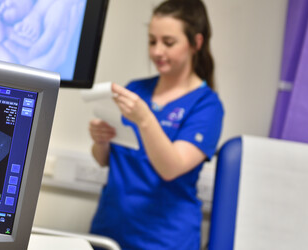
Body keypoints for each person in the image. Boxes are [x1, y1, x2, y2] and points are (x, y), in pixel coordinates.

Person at [88, 0, 224, 249]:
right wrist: (101, 141)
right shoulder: (136, 89)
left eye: (168, 43)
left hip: (163, 239)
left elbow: (171, 168)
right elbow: (103, 159)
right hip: (109, 232)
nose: (157, 51)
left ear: (196, 43)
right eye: (152, 41)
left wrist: (145, 119)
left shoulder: (207, 106)